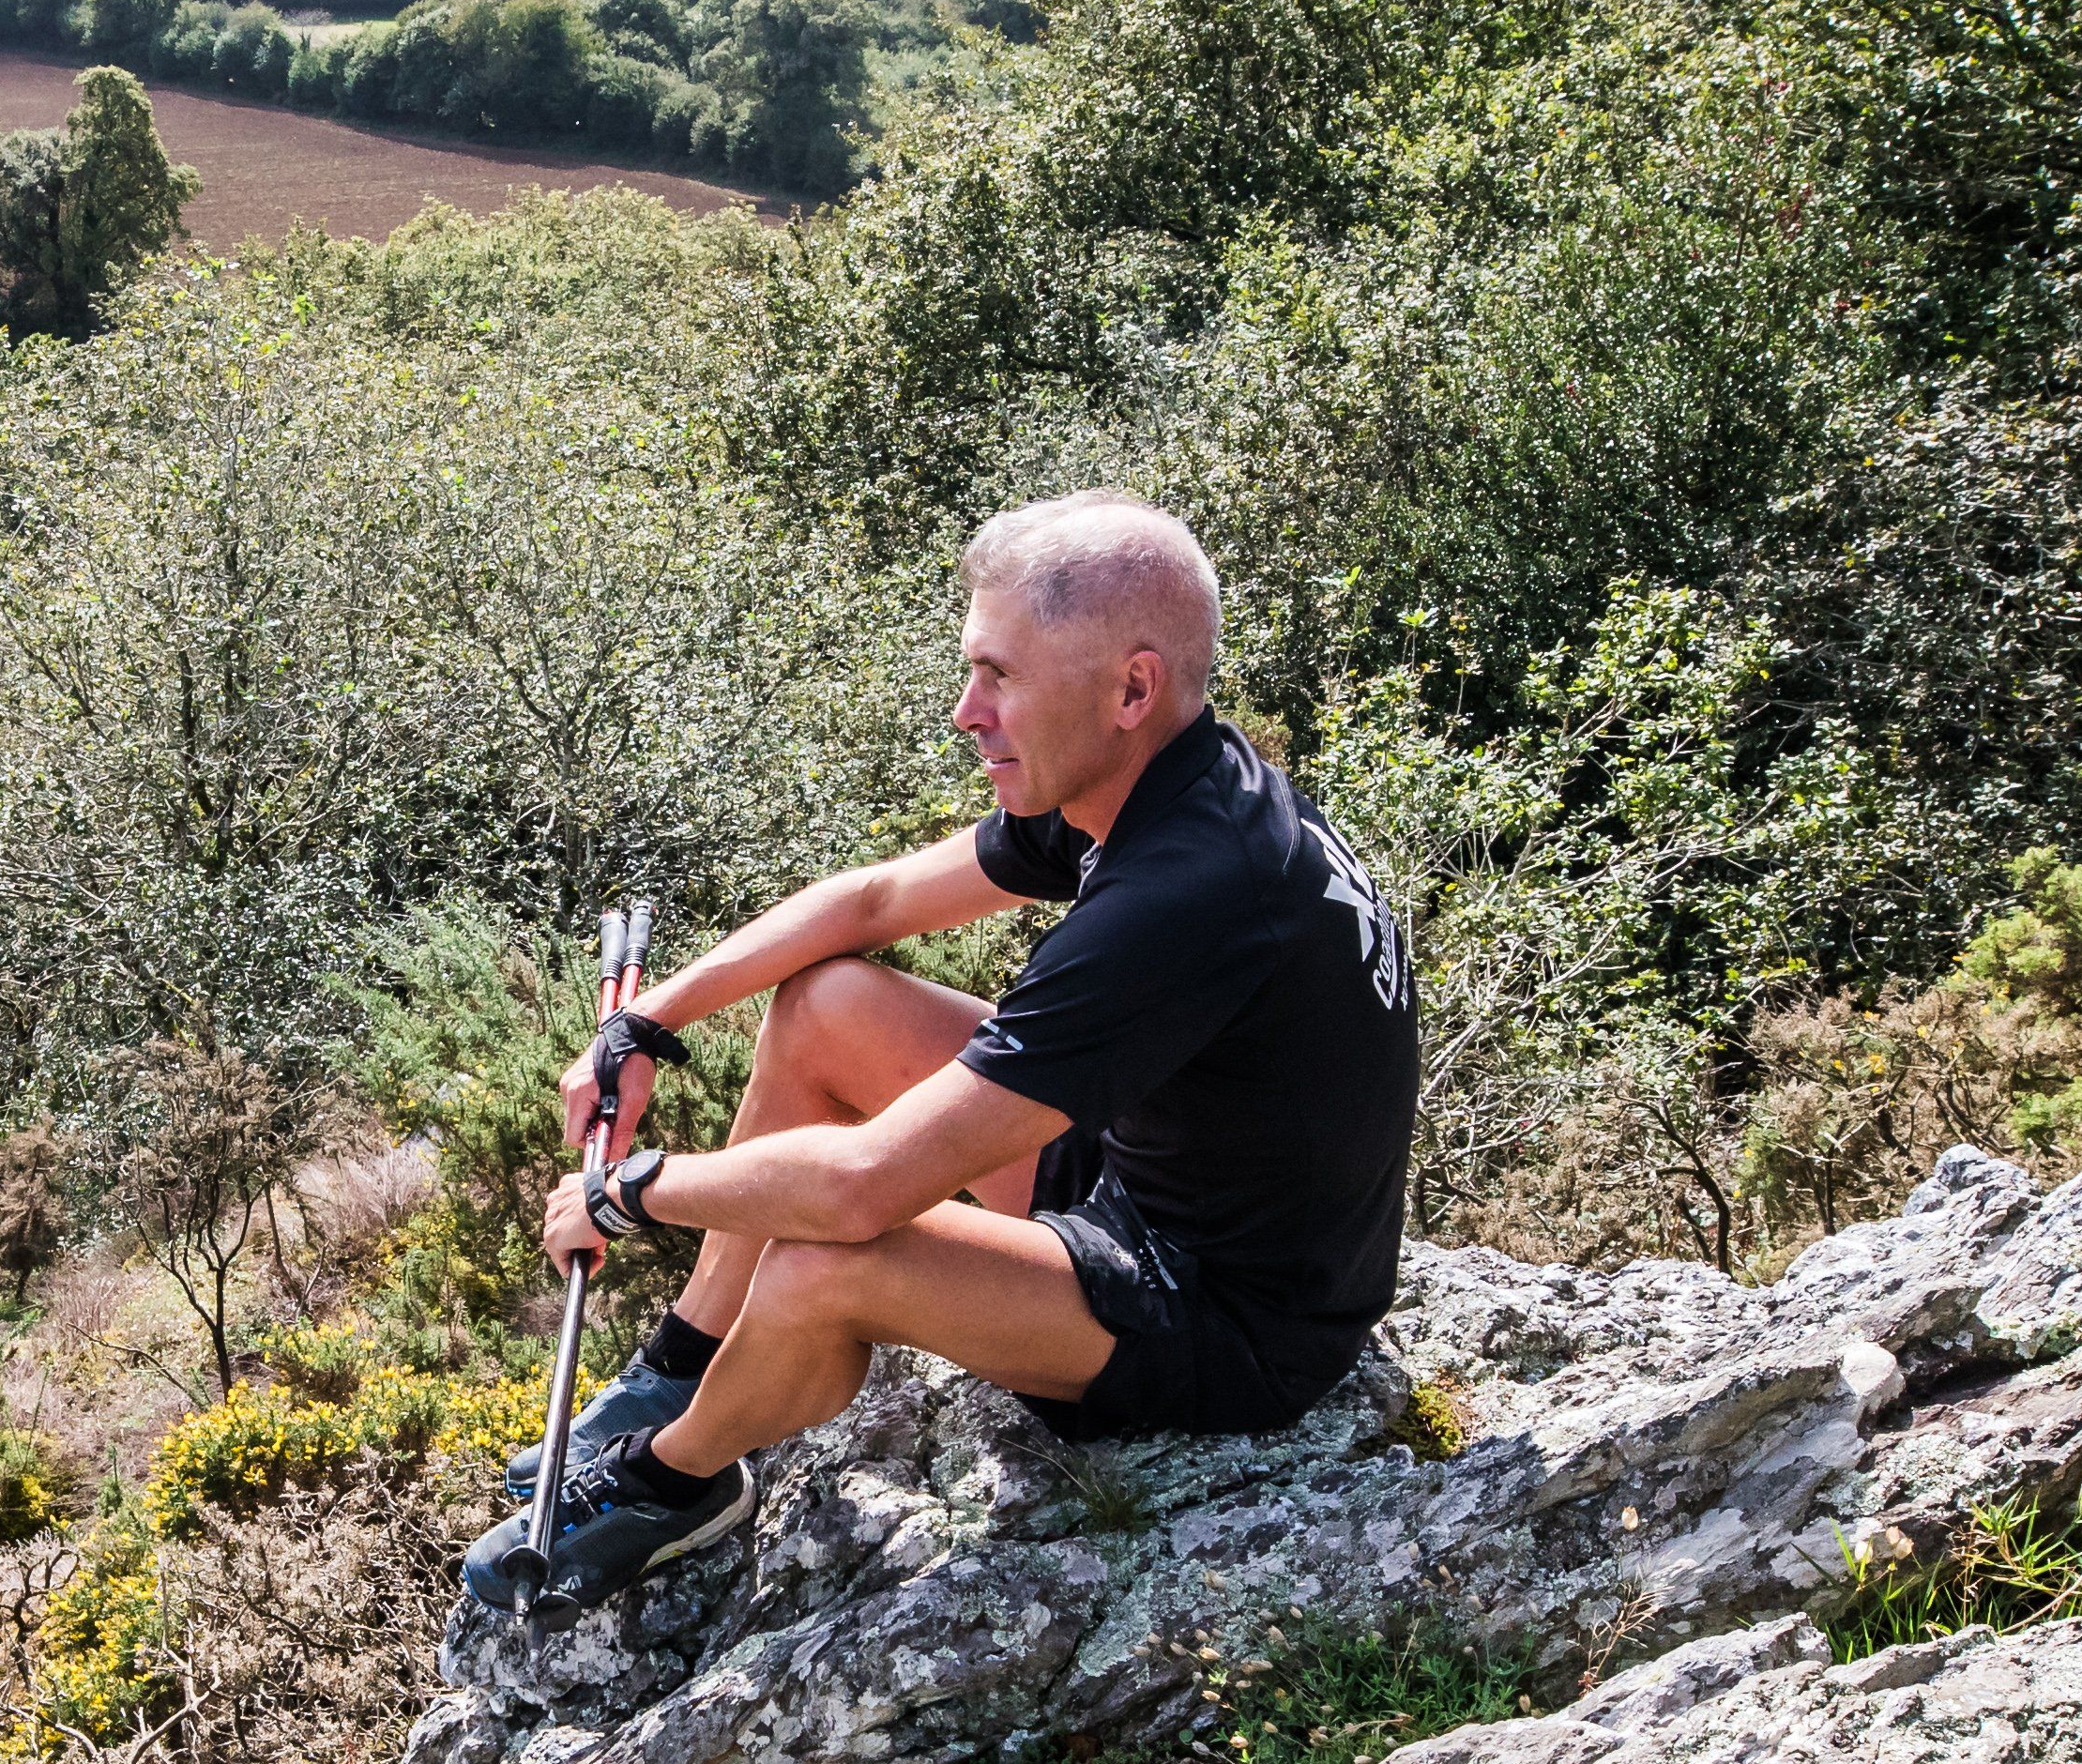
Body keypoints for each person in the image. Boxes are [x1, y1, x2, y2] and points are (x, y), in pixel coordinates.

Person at [465, 492, 1418, 1611]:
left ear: (1130, 687)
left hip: (1227, 1321)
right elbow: (870, 900)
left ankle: (675, 1480)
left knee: (833, 1258)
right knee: (826, 1005)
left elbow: (868, 1183)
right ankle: (682, 1362)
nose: (967, 712)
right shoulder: (1159, 777)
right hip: (1137, 1184)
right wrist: (647, 1021)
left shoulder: (1186, 894)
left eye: (1000, 676)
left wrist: (630, 1193)